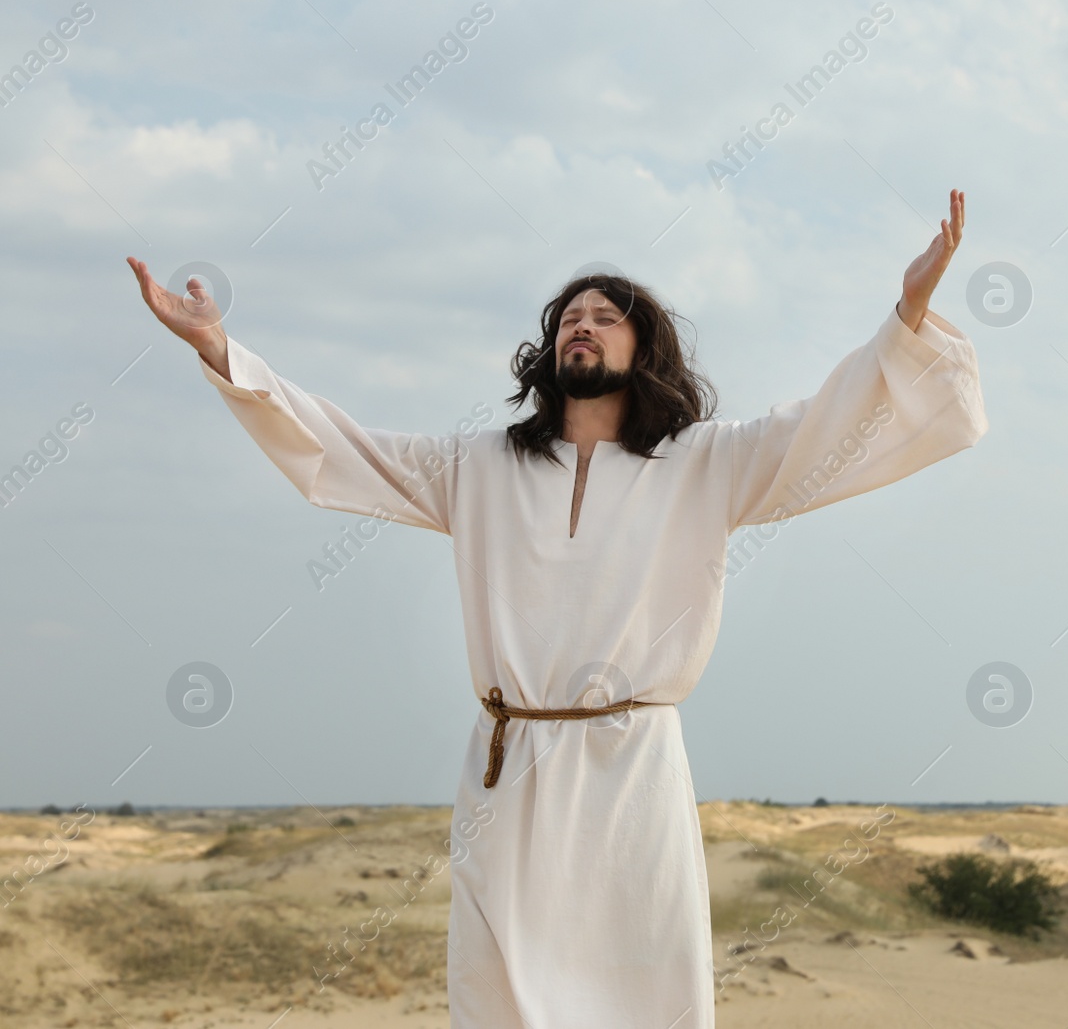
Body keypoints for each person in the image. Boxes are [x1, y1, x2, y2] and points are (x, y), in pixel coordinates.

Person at [126, 188, 986, 1027]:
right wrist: (220, 349)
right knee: (499, 988)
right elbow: (340, 448)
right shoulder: (478, 467)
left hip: (633, 773)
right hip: (511, 767)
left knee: (643, 990)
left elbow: (825, 429)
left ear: (644, 349)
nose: (583, 323)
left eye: (607, 315)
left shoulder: (706, 463)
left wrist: (906, 315)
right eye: (571, 315)